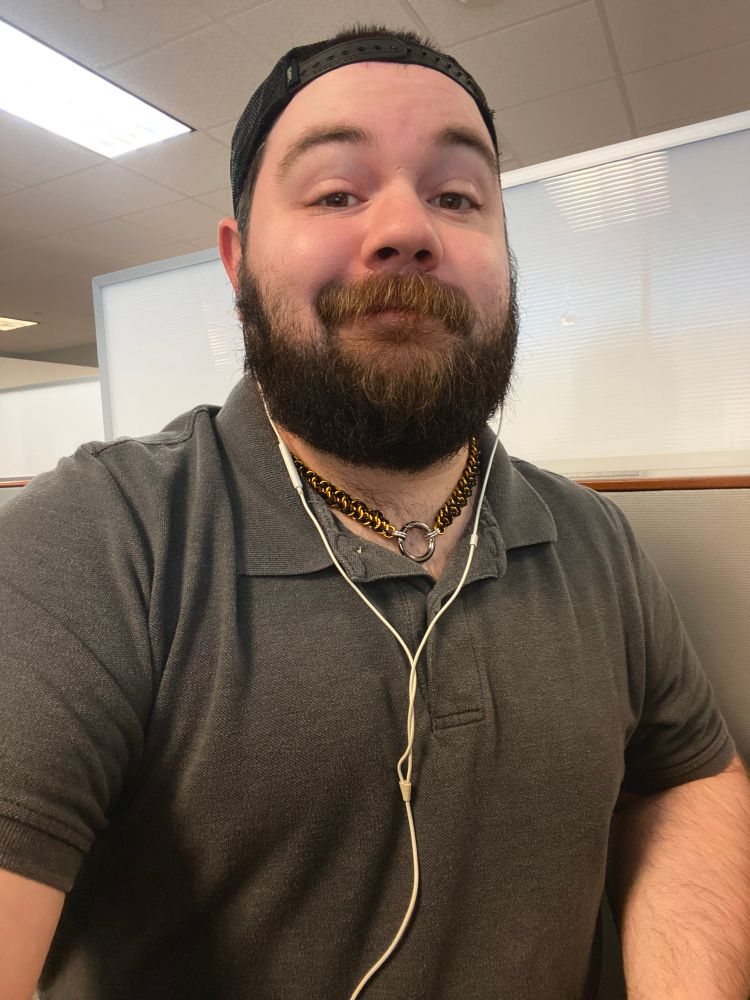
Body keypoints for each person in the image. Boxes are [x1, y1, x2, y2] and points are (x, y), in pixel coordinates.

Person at [1, 23, 749, 1000]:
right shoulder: (96, 543)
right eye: (337, 192)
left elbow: (688, 774)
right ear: (236, 263)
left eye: (456, 195)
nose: (406, 229)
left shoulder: (594, 542)